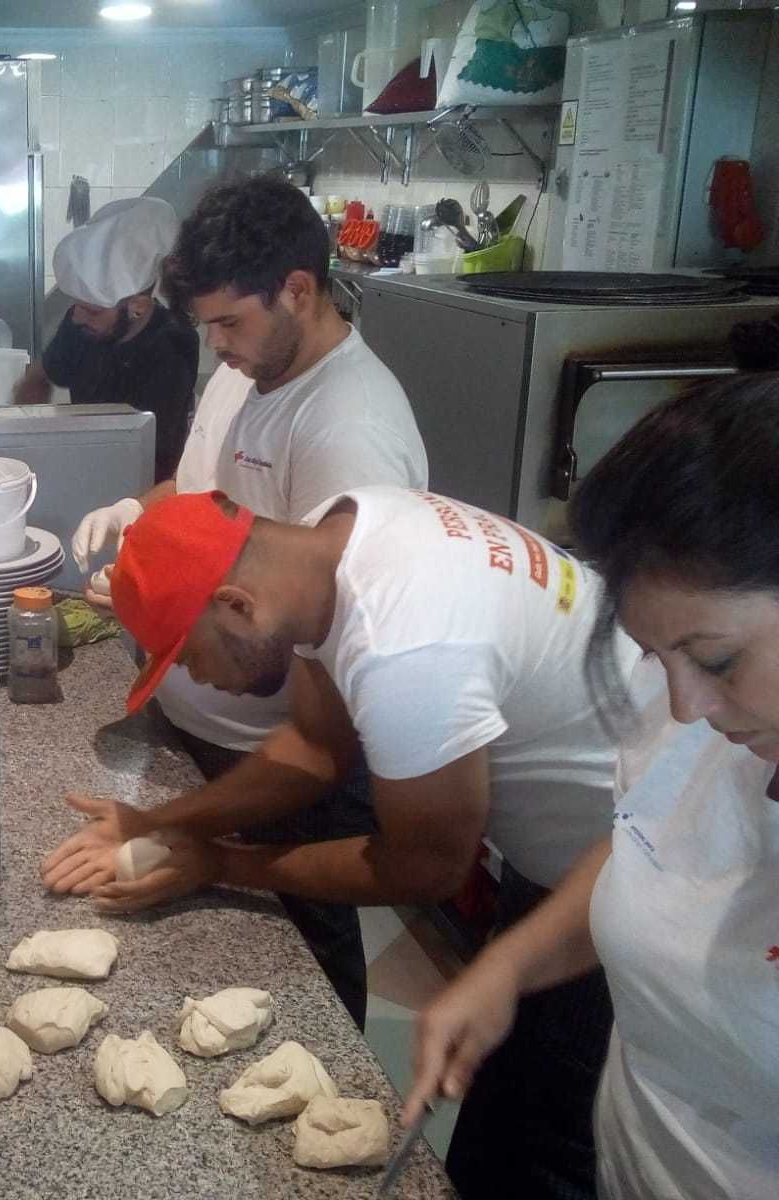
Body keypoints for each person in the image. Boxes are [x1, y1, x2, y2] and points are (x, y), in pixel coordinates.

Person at [46, 484, 631, 1199]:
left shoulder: (406, 648)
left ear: (235, 604)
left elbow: (427, 868)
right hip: (576, 845)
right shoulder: (340, 537)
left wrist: (221, 863)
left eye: (189, 656)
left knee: (536, 1152)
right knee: (495, 1119)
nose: (198, 678)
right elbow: (319, 745)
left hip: (634, 870)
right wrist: (167, 823)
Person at [60, 177, 428, 1025]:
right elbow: (199, 496)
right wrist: (138, 523)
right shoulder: (247, 365)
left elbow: (322, 735)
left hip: (275, 776)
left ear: (298, 289)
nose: (216, 343)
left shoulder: (348, 431)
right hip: (204, 740)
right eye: (206, 325)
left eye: (230, 321)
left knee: (297, 979)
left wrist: (173, 822)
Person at [405, 375, 779, 1200]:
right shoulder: (691, 710)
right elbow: (646, 845)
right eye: (656, 656)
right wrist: (507, 965)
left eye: (716, 661)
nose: (685, 704)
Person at [13, 197, 198, 481]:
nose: (77, 317)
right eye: (77, 305)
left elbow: (151, 452)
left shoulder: (172, 345)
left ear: (138, 307)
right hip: (83, 469)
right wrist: (24, 450)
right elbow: (37, 376)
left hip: (145, 486)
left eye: (92, 310)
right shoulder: (80, 325)